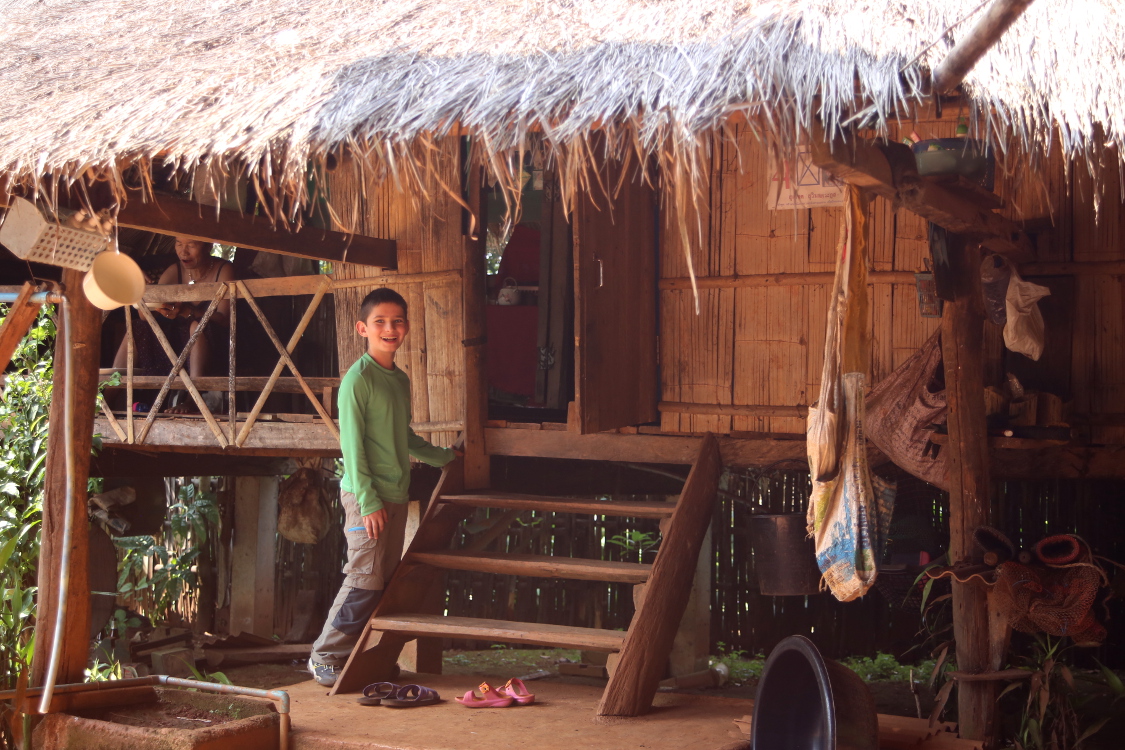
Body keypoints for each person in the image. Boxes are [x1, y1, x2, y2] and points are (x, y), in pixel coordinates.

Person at [308, 288, 460, 687]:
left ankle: (358, 659)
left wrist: (445, 458)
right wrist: (368, 500)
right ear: (363, 328)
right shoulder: (357, 381)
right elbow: (352, 450)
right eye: (380, 322)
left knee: (382, 581)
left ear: (406, 327)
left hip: (393, 494)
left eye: (397, 321)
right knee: (364, 580)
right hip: (366, 496)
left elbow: (403, 436)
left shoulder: (399, 380)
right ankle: (325, 657)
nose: (389, 328)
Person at [112, 236, 235, 411]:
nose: (183, 251)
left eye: (191, 245)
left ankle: (194, 400)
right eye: (179, 244)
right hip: (176, 346)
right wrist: (143, 292)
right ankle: (108, 392)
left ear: (208, 245)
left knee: (196, 326)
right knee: (137, 328)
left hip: (214, 343)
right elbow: (146, 317)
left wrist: (189, 312)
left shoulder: (223, 269)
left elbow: (224, 318)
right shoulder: (173, 271)